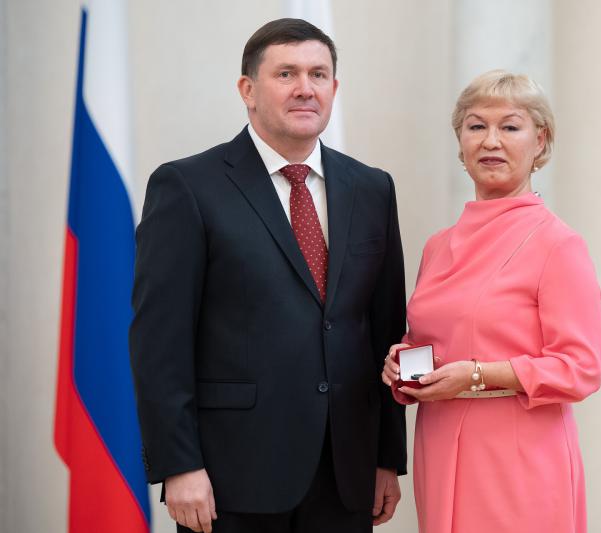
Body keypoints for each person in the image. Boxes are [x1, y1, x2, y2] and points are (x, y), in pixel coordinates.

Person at [130, 18, 407, 533]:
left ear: (334, 88)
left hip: (346, 472)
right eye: (286, 74)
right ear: (248, 90)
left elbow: (386, 329)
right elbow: (159, 342)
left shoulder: (372, 188)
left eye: (318, 75)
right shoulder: (187, 186)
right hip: (231, 476)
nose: (305, 88)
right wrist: (179, 464)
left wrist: (387, 456)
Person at [382, 70, 601, 533]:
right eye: (476, 126)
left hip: (518, 455)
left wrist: (477, 375)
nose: (491, 141)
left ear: (540, 141)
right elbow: (432, 338)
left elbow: (581, 368)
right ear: (460, 143)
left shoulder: (558, 244)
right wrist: (403, 365)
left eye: (510, 126)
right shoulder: (438, 246)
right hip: (440, 444)